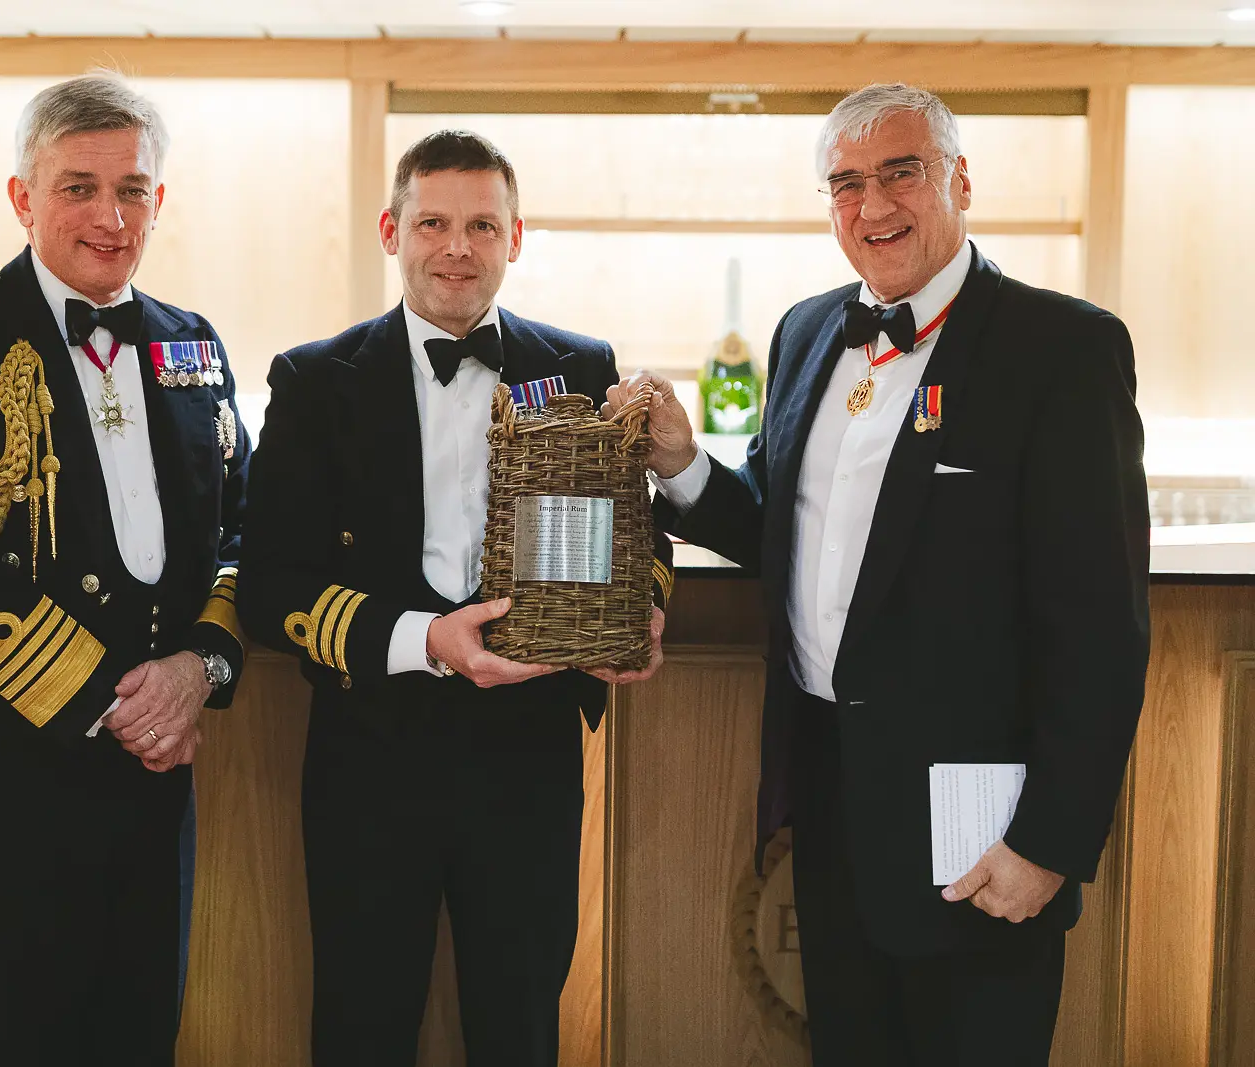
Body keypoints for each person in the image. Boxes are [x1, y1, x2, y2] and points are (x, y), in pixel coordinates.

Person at [604, 83, 1149, 1065]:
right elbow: (780, 521)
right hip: (830, 797)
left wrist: (1049, 843)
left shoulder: (1062, 349)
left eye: (900, 171)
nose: (873, 205)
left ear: (959, 180)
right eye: (846, 183)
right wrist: (683, 461)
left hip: (980, 826)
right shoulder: (807, 330)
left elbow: (1100, 630)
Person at [236, 129, 675, 1067]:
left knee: (520, 1026)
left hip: (528, 752)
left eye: (484, 224)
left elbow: (640, 534)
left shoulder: (582, 365)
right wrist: (425, 639)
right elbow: (271, 580)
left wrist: (642, 607)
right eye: (433, 221)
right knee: (361, 1022)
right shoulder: (316, 379)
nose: (458, 248)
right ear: (393, 229)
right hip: (370, 753)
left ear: (517, 237)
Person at [0, 72, 250, 1066]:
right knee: (17, 1034)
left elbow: (241, 530)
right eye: (78, 187)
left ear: (159, 201)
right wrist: (115, 701)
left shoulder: (191, 345)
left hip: (161, 764)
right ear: (21, 196)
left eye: (132, 190)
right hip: (15, 765)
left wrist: (196, 670)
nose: (109, 216)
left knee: (141, 1031)